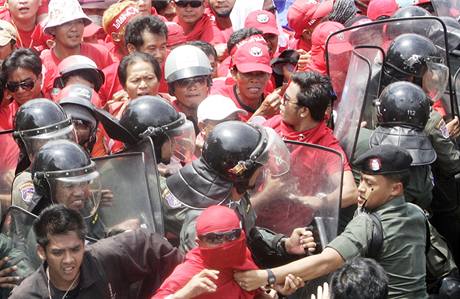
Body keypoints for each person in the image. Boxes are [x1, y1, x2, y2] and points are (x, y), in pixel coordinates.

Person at [234, 144, 429, 299]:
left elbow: (327, 261)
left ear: (395, 189)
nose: (360, 189)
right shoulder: (417, 213)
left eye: (370, 184)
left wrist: (264, 276)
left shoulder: (368, 223)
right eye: (361, 180)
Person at [162, 121, 316, 267]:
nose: (263, 170)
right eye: (260, 166)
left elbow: (245, 233)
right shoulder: (204, 223)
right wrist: (267, 284)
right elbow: (215, 279)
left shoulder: (231, 190)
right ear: (243, 173)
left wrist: (283, 244)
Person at [9, 204, 182, 299]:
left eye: (75, 249)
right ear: (41, 252)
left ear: (84, 245)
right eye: (58, 253)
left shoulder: (106, 256)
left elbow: (153, 246)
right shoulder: (26, 295)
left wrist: (165, 293)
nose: (69, 260)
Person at [264, 72, 357, 211]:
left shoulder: (326, 145)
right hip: (258, 212)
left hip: (291, 226)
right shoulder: (274, 124)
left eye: (286, 100)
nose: (280, 102)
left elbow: (351, 191)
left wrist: (319, 202)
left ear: (303, 111)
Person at [11, 98, 77, 211]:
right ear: (28, 149)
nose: (56, 144)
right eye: (46, 141)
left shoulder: (74, 169)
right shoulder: (26, 182)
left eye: (61, 137)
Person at [40, 0, 114, 98]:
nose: (74, 29)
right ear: (53, 29)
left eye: (79, 22)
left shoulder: (101, 54)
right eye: (66, 23)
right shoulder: (43, 62)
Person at [210, 40, 279, 122]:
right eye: (247, 73)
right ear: (234, 74)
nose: (254, 80)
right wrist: (261, 114)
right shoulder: (220, 99)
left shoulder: (274, 105)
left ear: (269, 75)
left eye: (260, 74)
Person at [164, 44, 212, 131]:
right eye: (184, 82)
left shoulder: (220, 110)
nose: (193, 88)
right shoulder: (167, 119)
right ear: (171, 89)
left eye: (199, 80)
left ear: (208, 83)